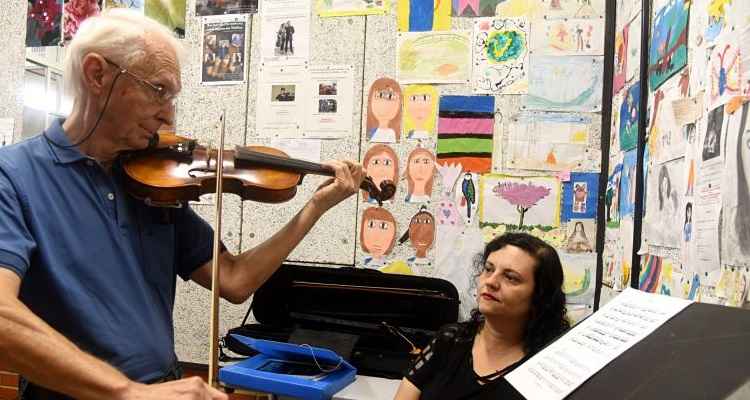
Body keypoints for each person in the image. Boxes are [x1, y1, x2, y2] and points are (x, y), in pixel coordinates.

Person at [0, 10, 364, 400]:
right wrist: (126, 392)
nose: (169, 114)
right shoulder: (14, 176)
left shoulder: (152, 184)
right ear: (97, 74)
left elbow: (235, 280)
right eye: (158, 90)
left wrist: (314, 208)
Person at [394, 233, 569, 399]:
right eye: (488, 269)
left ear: (540, 296)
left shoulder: (548, 369)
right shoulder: (450, 339)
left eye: (510, 277)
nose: (491, 281)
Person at [367, 77, 402, 143]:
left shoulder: (392, 134)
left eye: (390, 97)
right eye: (379, 96)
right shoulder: (371, 132)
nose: (384, 104)